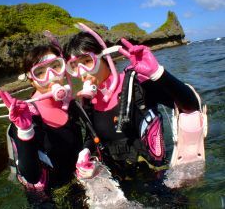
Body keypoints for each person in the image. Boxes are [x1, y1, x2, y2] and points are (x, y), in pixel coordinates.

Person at [63, 23, 206, 182]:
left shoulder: (137, 84)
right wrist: (86, 152)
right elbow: (92, 136)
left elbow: (191, 106)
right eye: (74, 67)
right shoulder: (88, 101)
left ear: (104, 55)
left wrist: (158, 73)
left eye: (86, 61)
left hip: (158, 178)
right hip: (121, 181)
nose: (81, 72)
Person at [0, 37, 85, 203]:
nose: (51, 76)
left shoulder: (70, 104)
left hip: (76, 179)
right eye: (40, 72)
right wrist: (25, 131)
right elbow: (31, 176)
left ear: (64, 68)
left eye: (56, 66)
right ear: (31, 79)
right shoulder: (26, 117)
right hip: (46, 193)